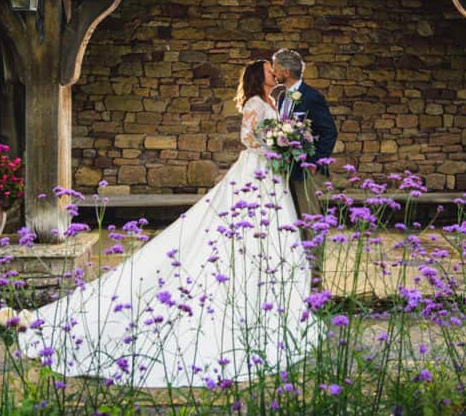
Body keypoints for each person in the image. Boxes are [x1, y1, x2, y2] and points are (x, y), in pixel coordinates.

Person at [18, 60, 323, 387]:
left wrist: (287, 140)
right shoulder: (254, 103)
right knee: (238, 234)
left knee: (274, 236)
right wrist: (275, 142)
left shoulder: (274, 101)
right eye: (266, 67)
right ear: (257, 76)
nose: (271, 69)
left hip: (272, 176)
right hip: (255, 171)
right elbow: (247, 137)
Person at [271, 48, 338, 223]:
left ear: (286, 71)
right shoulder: (282, 96)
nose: (273, 72)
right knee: (293, 218)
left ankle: (315, 251)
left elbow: (329, 132)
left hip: (305, 168)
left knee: (310, 216)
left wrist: (315, 161)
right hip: (287, 168)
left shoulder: (312, 96)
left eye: (275, 68)